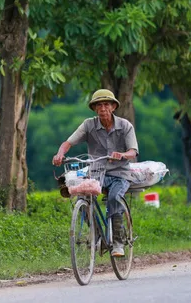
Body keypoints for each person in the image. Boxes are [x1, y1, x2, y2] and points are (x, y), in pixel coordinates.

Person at [52, 89, 139, 257]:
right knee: (82, 197)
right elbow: (67, 143)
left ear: (113, 107)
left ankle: (118, 242)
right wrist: (60, 154)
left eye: (106, 104)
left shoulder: (125, 126)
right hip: (97, 173)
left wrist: (122, 155)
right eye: (99, 105)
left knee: (114, 198)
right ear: (94, 109)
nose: (103, 108)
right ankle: (97, 235)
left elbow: (133, 152)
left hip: (120, 173)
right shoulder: (88, 125)